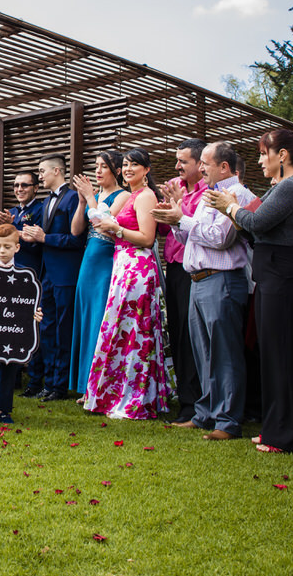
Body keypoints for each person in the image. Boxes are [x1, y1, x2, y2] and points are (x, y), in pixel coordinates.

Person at [207, 126, 293, 454]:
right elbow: (252, 220)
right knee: (272, 357)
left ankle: (287, 435)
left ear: (282, 156)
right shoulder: (280, 187)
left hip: (285, 279)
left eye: (263, 154)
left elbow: (253, 222)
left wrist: (230, 205)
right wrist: (235, 210)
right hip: (272, 278)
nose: (259, 160)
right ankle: (274, 429)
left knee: (284, 358)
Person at [155, 141, 254, 439]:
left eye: (205, 164)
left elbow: (220, 238)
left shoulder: (237, 195)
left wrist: (181, 219)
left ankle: (227, 420)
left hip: (222, 280)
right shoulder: (205, 197)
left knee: (224, 353)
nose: (200, 169)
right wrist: (176, 221)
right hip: (198, 279)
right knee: (203, 354)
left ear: (224, 167)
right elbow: (193, 238)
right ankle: (204, 413)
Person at [83, 149, 169, 420]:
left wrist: (116, 229)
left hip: (138, 268)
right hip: (123, 265)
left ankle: (135, 395)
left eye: (136, 164)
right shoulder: (131, 196)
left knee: (135, 332)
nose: (129, 168)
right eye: (126, 164)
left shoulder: (146, 196)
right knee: (120, 330)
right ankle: (114, 391)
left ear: (147, 169)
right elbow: (99, 221)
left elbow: (146, 238)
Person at [20, 154, 84, 401]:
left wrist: (44, 238)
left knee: (62, 331)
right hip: (46, 274)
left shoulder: (72, 199)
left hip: (66, 275)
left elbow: (77, 239)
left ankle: (60, 385)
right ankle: (47, 381)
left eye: (42, 171)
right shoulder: (47, 202)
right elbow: (41, 239)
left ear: (57, 171)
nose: (40, 175)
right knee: (46, 329)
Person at [69, 151, 129, 397]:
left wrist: (90, 199)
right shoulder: (93, 196)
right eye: (96, 166)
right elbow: (76, 230)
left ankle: (97, 386)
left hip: (106, 258)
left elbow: (104, 222)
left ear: (116, 170)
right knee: (85, 317)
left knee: (99, 318)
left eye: (103, 166)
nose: (98, 171)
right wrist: (84, 201)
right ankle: (83, 383)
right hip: (88, 259)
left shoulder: (123, 195)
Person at [157, 139, 208, 423]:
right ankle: (184, 399)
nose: (177, 167)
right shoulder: (176, 184)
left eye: (183, 162)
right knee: (175, 333)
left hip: (195, 271)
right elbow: (166, 227)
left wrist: (178, 205)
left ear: (201, 165)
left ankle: (196, 403)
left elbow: (196, 228)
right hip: (173, 268)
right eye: (177, 161)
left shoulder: (205, 193)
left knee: (192, 338)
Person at [0, 223, 44, 425]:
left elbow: (32, 300)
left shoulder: (25, 273)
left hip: (16, 332)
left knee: (10, 370)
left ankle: (5, 410)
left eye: (7, 246)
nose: (2, 251)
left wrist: (36, 313)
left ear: (17, 247)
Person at [0, 170, 43, 276]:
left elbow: (36, 245)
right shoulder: (11, 212)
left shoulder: (41, 210)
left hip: (29, 270)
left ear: (36, 188)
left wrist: (12, 226)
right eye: (16, 185)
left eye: (24, 185)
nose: (19, 189)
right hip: (7, 269)